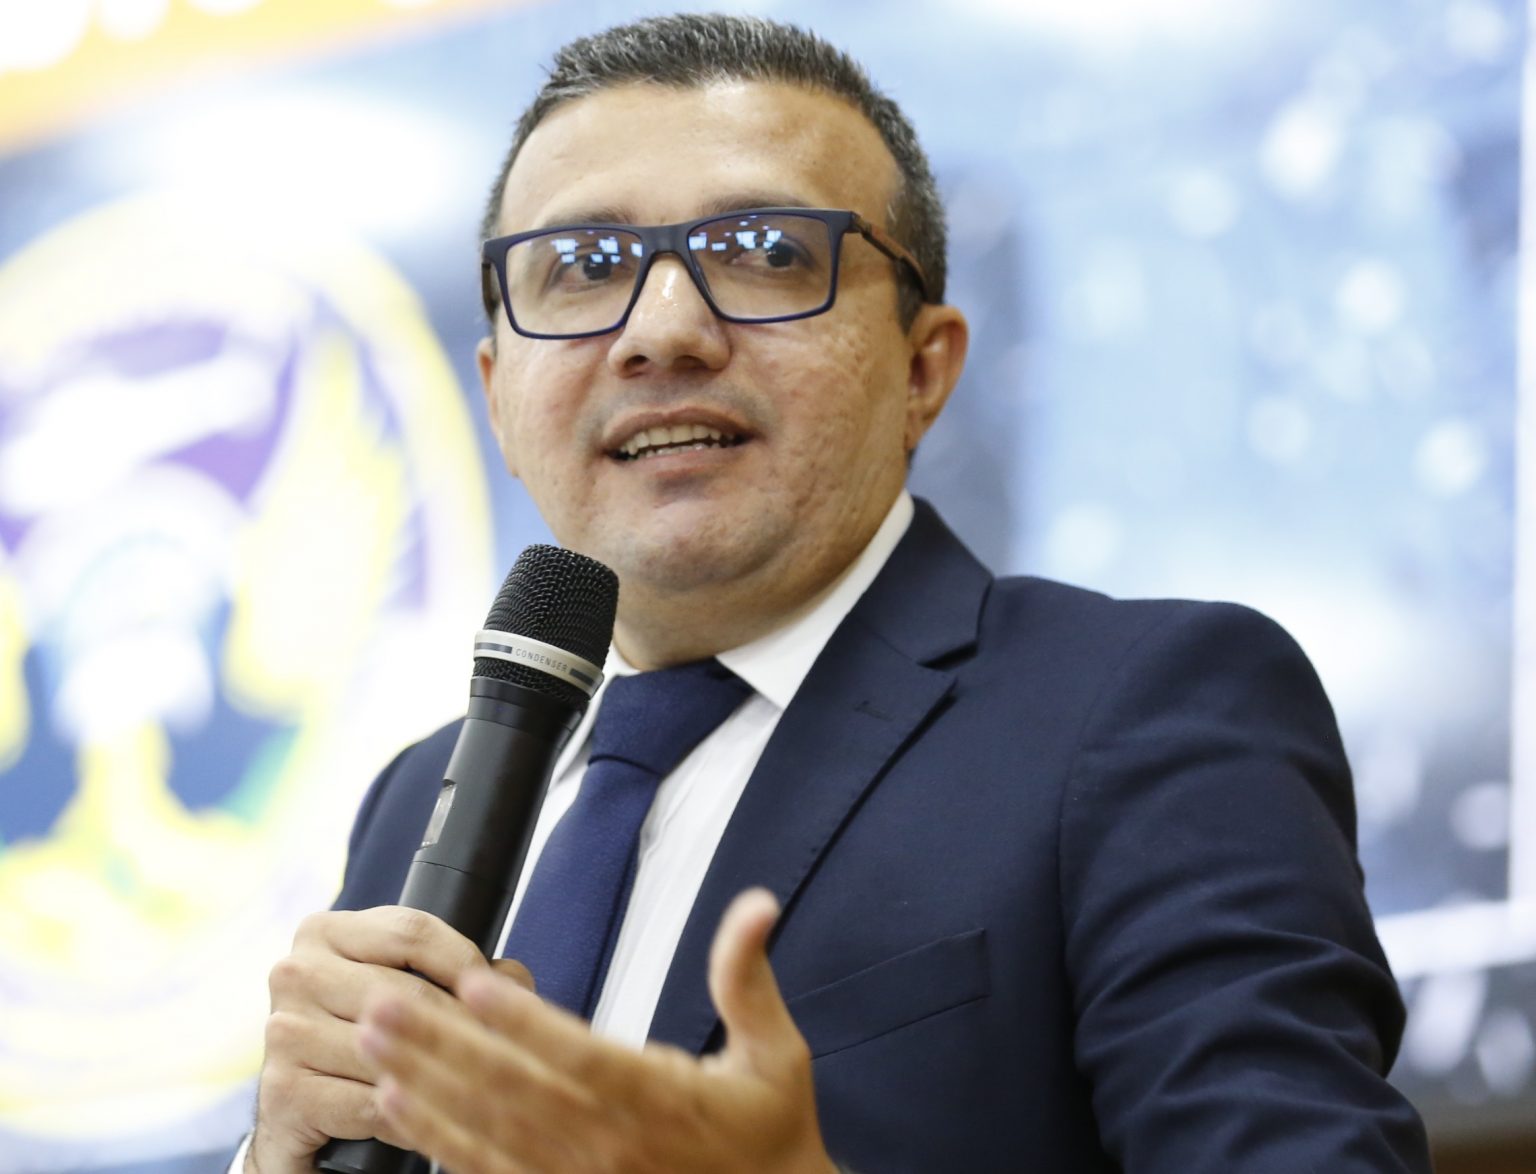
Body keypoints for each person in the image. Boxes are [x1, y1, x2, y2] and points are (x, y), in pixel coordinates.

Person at [239, 14, 1433, 1173]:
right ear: (499, 396)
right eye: (585, 267)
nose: (663, 331)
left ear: (924, 369)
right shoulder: (418, 798)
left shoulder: (1143, 710)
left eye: (765, 252)